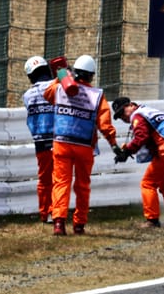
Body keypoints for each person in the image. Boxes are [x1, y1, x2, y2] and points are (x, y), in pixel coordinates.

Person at [41, 54, 120, 236]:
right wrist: (114, 144)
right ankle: (79, 224)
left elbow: (47, 94)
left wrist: (61, 75)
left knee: (61, 182)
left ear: (75, 72)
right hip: (85, 145)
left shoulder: (61, 88)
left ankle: (59, 223)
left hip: (62, 142)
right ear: (92, 75)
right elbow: (105, 125)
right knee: (83, 185)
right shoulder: (97, 95)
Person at [111, 97, 164, 229]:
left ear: (131, 105)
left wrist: (127, 152)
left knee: (148, 183)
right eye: (119, 116)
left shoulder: (137, 116)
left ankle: (152, 220)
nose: (123, 117)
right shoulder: (150, 112)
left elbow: (141, 137)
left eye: (123, 112)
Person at [22, 55, 55, 224]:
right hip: (60, 138)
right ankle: (57, 212)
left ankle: (45, 213)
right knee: (60, 178)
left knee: (44, 179)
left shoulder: (27, 95)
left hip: (40, 141)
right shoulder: (57, 87)